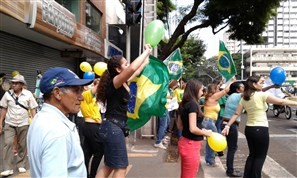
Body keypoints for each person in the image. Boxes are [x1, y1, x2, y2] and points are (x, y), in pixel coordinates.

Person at [222, 75, 297, 178]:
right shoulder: (261, 95)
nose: (263, 84)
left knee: (252, 155)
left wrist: (228, 126)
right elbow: (282, 101)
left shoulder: (245, 97)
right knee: (260, 157)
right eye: (261, 82)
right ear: (254, 84)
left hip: (249, 129)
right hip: (260, 129)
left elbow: (236, 114)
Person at [95, 44, 152, 178]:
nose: (128, 66)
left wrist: (145, 60)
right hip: (113, 128)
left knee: (109, 166)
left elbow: (136, 71)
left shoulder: (122, 81)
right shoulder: (116, 81)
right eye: (125, 64)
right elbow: (132, 68)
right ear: (117, 69)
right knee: (121, 168)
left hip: (112, 127)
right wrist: (146, 52)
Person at [27, 67, 93, 177]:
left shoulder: (40, 119)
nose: (81, 98)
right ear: (57, 93)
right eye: (76, 91)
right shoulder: (57, 132)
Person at [0, 74, 38, 176]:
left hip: (23, 123)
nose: (13, 85)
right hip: (9, 123)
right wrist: (0, 123)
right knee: (7, 143)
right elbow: (4, 108)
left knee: (22, 144)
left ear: (21, 84)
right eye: (12, 83)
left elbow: (33, 109)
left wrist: (35, 123)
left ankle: (21, 164)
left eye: (16, 83)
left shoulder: (28, 94)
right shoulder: (7, 94)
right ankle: (8, 168)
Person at [176, 79, 212, 178]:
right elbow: (192, 128)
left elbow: (180, 126)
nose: (202, 92)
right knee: (190, 175)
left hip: (184, 142)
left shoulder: (183, 104)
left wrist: (200, 130)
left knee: (185, 174)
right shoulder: (192, 104)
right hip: (191, 145)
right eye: (201, 90)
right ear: (195, 90)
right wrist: (205, 133)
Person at [202, 77, 235, 166]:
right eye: (217, 89)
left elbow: (221, 88)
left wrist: (221, 83)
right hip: (209, 121)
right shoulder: (213, 97)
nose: (219, 90)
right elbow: (225, 91)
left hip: (208, 121)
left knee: (210, 141)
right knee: (213, 140)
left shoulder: (210, 97)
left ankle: (209, 159)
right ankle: (210, 160)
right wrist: (231, 81)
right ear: (214, 90)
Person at [80, 78, 104, 178]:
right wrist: (104, 77)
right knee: (99, 151)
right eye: (90, 85)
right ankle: (91, 175)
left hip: (91, 125)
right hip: (92, 126)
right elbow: (97, 88)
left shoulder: (90, 98)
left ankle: (86, 174)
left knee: (88, 151)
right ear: (85, 87)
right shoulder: (85, 95)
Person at [222, 81, 245, 177]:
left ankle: (230, 169)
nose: (244, 88)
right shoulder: (237, 95)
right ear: (237, 89)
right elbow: (251, 93)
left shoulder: (232, 96)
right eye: (242, 87)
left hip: (227, 123)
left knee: (231, 147)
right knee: (232, 148)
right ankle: (230, 171)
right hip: (231, 125)